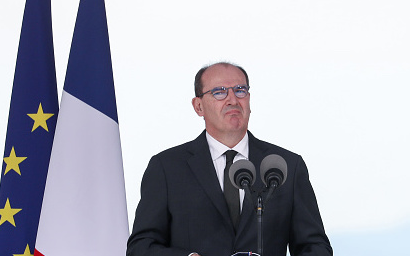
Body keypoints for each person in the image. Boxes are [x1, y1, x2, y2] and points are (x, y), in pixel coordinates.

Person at [127, 62, 332, 256]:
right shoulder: (167, 168)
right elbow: (141, 247)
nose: (233, 99)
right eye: (219, 92)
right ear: (198, 106)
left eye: (240, 90)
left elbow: (315, 247)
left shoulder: (286, 166)